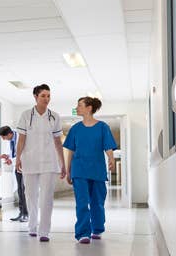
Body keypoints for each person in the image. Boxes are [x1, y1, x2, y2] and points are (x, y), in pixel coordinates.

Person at [15, 84, 66, 242]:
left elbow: (58, 142)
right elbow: (21, 139)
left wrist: (62, 163)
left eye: (49, 96)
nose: (47, 99)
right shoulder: (25, 115)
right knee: (30, 196)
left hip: (49, 162)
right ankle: (32, 225)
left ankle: (44, 231)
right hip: (29, 161)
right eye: (43, 96)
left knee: (46, 198)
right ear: (35, 97)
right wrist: (17, 158)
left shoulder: (54, 117)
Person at [63, 97, 117, 244]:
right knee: (82, 202)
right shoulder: (75, 129)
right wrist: (68, 171)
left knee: (97, 202)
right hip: (79, 170)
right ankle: (83, 233)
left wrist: (111, 159)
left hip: (97, 170)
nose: (77, 108)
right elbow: (70, 151)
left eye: (80, 105)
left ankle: (97, 228)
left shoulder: (102, 127)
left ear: (89, 108)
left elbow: (108, 146)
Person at [0, 126, 28, 222]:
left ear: (9, 134)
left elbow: (24, 153)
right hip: (17, 166)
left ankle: (26, 214)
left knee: (24, 190)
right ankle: (21, 213)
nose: (3, 139)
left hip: (25, 166)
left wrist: (12, 160)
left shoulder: (21, 136)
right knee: (19, 190)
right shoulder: (10, 140)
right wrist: (7, 157)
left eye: (3, 137)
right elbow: (13, 154)